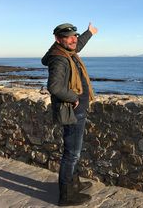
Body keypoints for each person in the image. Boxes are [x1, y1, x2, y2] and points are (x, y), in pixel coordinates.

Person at [41, 22, 98, 206]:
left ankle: (74, 184)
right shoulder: (60, 59)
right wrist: (73, 97)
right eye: (69, 37)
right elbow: (54, 86)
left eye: (75, 35)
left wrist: (89, 33)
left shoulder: (66, 50)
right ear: (58, 40)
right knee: (71, 154)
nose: (74, 39)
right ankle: (66, 196)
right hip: (72, 111)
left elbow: (77, 44)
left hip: (77, 110)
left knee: (74, 151)